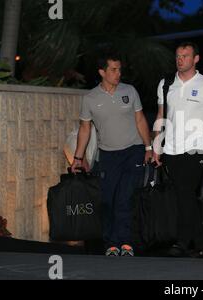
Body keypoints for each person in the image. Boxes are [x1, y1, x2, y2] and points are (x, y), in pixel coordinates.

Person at [71, 53, 153, 257]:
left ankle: (125, 242)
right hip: (107, 155)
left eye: (119, 69)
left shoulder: (130, 91)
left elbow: (140, 120)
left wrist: (149, 147)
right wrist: (78, 158)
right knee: (108, 200)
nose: (118, 73)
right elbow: (84, 129)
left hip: (133, 151)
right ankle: (111, 243)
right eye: (113, 70)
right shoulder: (90, 98)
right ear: (102, 72)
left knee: (125, 197)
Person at [152, 42, 203, 258]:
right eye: (177, 56)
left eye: (185, 56)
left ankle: (190, 243)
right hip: (171, 150)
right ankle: (192, 242)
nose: (180, 59)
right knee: (184, 197)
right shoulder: (166, 84)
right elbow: (160, 116)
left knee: (185, 193)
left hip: (197, 150)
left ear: (195, 59)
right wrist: (156, 147)